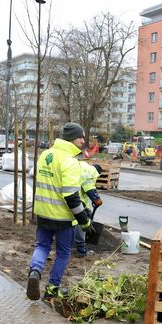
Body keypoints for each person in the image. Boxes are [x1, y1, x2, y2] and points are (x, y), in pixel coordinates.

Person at [27, 122, 95, 301]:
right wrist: (84, 220)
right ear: (72, 138)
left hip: (42, 214)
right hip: (63, 218)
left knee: (41, 246)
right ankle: (52, 289)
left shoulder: (45, 155)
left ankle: (35, 271)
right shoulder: (70, 161)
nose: (83, 140)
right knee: (63, 253)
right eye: (80, 137)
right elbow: (71, 196)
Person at [75, 162, 103, 257]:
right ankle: (81, 249)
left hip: (70, 194)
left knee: (86, 215)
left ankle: (74, 242)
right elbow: (88, 185)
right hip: (76, 199)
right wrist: (96, 198)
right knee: (81, 221)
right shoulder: (91, 172)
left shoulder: (84, 166)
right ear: (98, 173)